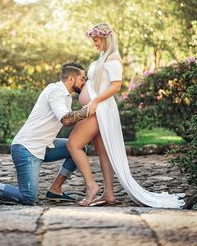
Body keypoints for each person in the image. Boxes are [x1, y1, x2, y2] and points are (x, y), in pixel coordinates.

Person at [67, 23, 185, 208]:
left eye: (96, 40)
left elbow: (115, 86)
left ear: (105, 38)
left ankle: (92, 187)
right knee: (103, 152)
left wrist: (95, 100)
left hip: (99, 111)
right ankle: (109, 194)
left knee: (73, 144)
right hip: (96, 110)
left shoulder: (113, 58)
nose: (94, 44)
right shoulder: (102, 57)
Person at [0, 62, 91, 206]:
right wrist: (90, 109)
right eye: (82, 78)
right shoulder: (55, 91)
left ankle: (55, 189)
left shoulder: (66, 96)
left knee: (78, 148)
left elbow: (70, 119)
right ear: (71, 79)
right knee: (28, 197)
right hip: (26, 149)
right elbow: (66, 119)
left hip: (44, 146)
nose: (84, 82)